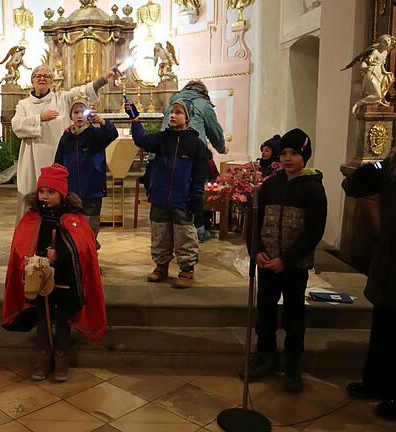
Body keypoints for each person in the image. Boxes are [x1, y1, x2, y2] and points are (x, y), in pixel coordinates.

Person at [2, 163, 106, 382]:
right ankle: (43, 355)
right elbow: (23, 247)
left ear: (62, 193)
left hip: (66, 281)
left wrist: (60, 254)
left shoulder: (74, 219)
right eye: (42, 191)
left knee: (63, 319)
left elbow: (83, 251)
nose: (45, 196)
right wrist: (38, 256)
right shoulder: (32, 218)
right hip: (40, 282)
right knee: (43, 318)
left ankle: (61, 357)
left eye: (51, 192)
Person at [242, 128, 327, 393]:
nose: (288, 158)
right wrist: (256, 251)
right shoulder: (270, 185)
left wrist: (286, 260)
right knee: (265, 312)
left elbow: (314, 232)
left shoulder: (313, 189)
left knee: (293, 315)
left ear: (305, 155)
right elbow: (254, 220)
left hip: (294, 266)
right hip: (266, 262)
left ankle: (292, 363)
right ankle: (266, 355)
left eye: (294, 153)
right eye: (284, 154)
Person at [12, 65, 118, 220]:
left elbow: (85, 90)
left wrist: (105, 77)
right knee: (30, 196)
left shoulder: (62, 98)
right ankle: (30, 238)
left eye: (47, 76)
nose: (42, 78)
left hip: (58, 159)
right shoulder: (24, 104)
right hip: (31, 159)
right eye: (38, 76)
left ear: (52, 82)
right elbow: (16, 125)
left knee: (57, 200)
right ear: (32, 81)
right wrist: (40, 118)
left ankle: (55, 236)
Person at [129, 99, 208, 289]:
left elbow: (199, 176)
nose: (173, 115)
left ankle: (187, 269)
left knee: (184, 235)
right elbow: (142, 140)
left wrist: (196, 197)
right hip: (160, 196)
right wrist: (135, 121)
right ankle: (161, 266)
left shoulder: (196, 144)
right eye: (171, 112)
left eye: (178, 112)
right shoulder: (162, 139)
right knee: (160, 233)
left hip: (182, 199)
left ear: (187, 117)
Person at [342, 146, 396, 421]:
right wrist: (377, 168)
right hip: (389, 257)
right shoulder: (390, 162)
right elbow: (352, 186)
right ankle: (375, 382)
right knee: (383, 323)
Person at [163, 80, 228, 240]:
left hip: (168, 151)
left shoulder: (172, 103)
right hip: (194, 151)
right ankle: (200, 227)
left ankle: (170, 229)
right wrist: (221, 148)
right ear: (203, 92)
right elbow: (214, 131)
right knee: (202, 187)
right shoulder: (203, 104)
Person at [54, 98, 118, 246]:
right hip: (72, 189)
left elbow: (112, 134)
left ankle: (90, 256)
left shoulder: (95, 134)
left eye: (83, 111)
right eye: (76, 112)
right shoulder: (66, 137)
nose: (80, 115)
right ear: (71, 116)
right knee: (71, 223)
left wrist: (102, 122)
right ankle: (74, 255)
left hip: (92, 188)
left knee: (90, 225)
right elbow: (58, 161)